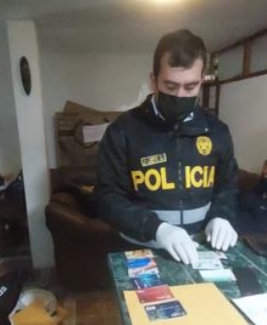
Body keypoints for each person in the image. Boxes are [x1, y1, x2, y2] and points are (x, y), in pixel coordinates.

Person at [95, 29, 239, 266]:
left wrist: (222, 216)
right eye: (171, 86)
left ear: (202, 81)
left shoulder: (217, 131)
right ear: (154, 80)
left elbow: (228, 186)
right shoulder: (123, 131)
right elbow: (106, 197)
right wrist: (157, 229)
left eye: (190, 87)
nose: (180, 95)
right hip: (140, 249)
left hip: (201, 250)